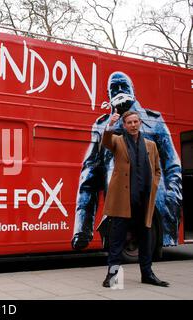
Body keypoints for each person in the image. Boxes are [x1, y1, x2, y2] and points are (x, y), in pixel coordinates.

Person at [72, 71, 182, 250]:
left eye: (124, 86)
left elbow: (172, 166)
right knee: (116, 246)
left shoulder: (155, 122)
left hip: (151, 202)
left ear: (133, 91)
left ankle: (147, 272)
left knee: (146, 245)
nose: (120, 90)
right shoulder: (103, 127)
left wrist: (170, 203)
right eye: (115, 88)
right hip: (119, 202)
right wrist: (82, 229)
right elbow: (89, 177)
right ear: (109, 95)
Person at [101, 110, 169, 287]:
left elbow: (157, 169)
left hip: (144, 201)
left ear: (140, 123)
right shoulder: (118, 141)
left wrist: (153, 185)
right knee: (117, 240)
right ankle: (112, 276)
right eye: (129, 122)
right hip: (123, 201)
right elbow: (106, 141)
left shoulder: (150, 145)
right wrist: (110, 125)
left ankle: (147, 274)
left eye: (135, 122)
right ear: (124, 125)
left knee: (146, 240)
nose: (132, 125)